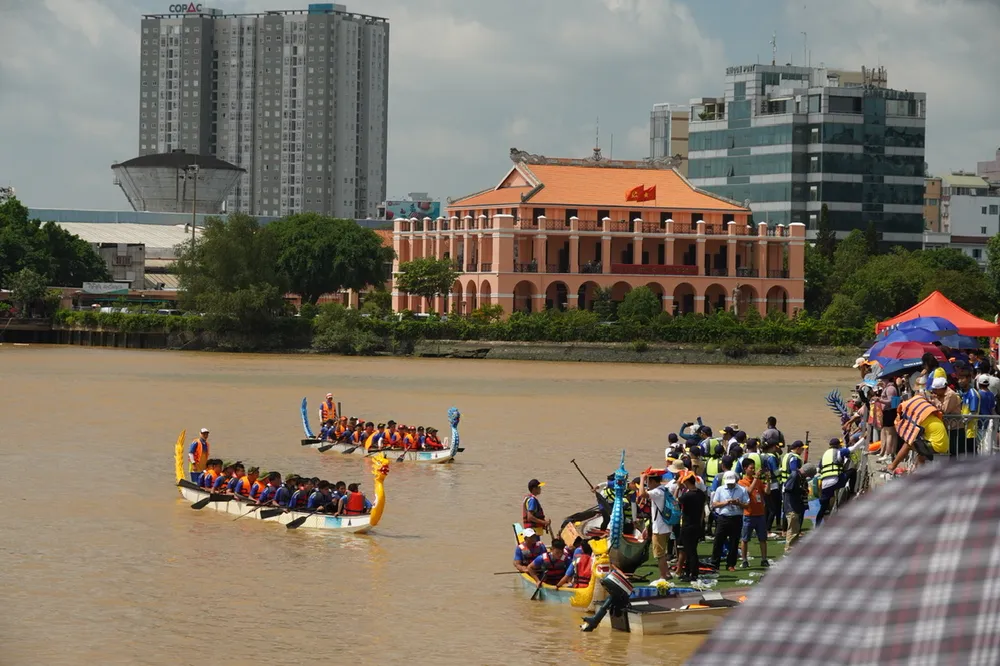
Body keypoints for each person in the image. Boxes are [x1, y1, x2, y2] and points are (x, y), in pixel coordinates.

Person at [638, 471, 679, 582]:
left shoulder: (656, 492)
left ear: (652, 481)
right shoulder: (664, 489)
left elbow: (642, 494)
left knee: (659, 554)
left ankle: (663, 576)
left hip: (659, 528)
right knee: (662, 553)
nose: (647, 485)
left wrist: (641, 478)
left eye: (648, 482)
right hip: (666, 526)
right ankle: (667, 573)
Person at [710, 471, 749, 572]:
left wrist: (738, 503)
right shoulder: (720, 489)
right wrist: (725, 503)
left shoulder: (742, 490)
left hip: (736, 518)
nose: (730, 484)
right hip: (723, 518)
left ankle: (731, 564)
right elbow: (714, 504)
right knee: (718, 541)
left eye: (732, 482)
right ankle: (715, 563)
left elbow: (747, 505)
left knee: (734, 542)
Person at [737, 458, 770, 568]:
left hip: (760, 514)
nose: (753, 470)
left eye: (754, 468)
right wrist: (756, 478)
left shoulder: (758, 481)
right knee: (745, 539)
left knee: (763, 539)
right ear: (745, 469)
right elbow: (749, 491)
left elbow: (767, 492)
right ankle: (744, 560)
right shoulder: (741, 482)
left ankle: (764, 559)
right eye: (751, 468)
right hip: (748, 514)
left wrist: (768, 480)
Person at [677, 471, 707, 581]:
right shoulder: (700, 493)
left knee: (690, 551)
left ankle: (693, 573)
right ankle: (688, 572)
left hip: (687, 525)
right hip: (697, 525)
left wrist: (677, 488)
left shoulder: (687, 495)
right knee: (691, 549)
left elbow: (676, 502)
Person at [783, 463, 815, 552]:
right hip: (791, 506)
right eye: (809, 475)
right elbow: (788, 489)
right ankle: (789, 548)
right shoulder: (795, 476)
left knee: (796, 529)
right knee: (792, 529)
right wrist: (801, 489)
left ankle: (793, 547)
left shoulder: (799, 477)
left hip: (796, 506)